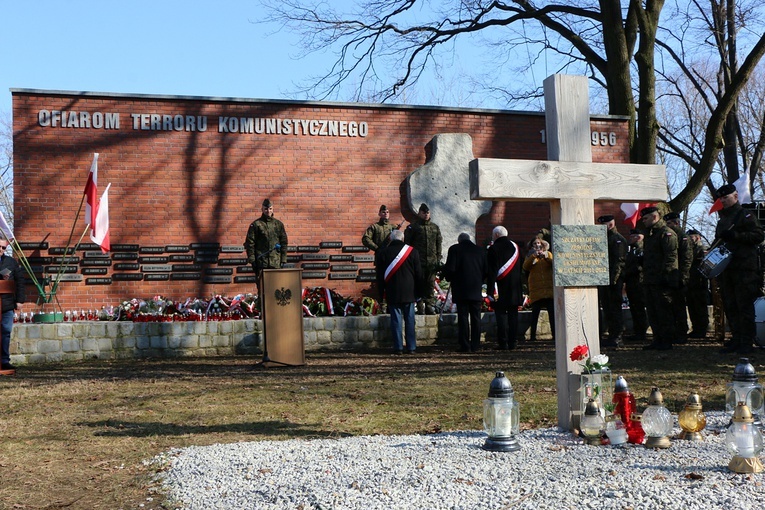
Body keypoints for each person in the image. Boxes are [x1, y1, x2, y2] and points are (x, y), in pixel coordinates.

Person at [714, 184, 764, 354]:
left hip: (744, 269)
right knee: (731, 305)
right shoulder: (722, 220)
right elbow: (718, 243)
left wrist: (736, 236)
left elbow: (758, 235)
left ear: (735, 197)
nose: (722, 201)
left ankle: (746, 341)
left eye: (725, 198)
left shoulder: (745, 215)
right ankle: (736, 338)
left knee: (744, 306)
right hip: (728, 268)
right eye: (720, 198)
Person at [375, 229, 422, 354]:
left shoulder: (383, 253)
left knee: (395, 320)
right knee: (410, 319)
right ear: (402, 239)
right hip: (409, 292)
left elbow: (379, 276)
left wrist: (381, 294)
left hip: (392, 291)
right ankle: (411, 347)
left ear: (390, 239)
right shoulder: (413, 252)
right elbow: (419, 274)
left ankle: (398, 347)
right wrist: (419, 292)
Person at [640, 206, 678, 350]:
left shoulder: (666, 234)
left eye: (646, 218)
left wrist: (666, 276)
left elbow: (670, 257)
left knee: (664, 311)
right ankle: (658, 339)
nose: (643, 221)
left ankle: (666, 340)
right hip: (650, 279)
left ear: (655, 217)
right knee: (653, 311)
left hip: (662, 280)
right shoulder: (651, 234)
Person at [443, 233, 488, 352]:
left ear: (459, 241)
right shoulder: (480, 250)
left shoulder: (455, 249)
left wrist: (448, 277)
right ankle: (475, 344)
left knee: (463, 317)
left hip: (461, 288)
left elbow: (451, 269)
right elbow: (485, 270)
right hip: (475, 288)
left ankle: (464, 345)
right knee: (476, 317)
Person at [486, 226, 524, 350]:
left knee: (501, 316)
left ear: (496, 235)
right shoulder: (516, 247)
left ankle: (503, 342)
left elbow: (491, 272)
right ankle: (513, 342)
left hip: (500, 288)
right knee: (513, 316)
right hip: (514, 288)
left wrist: (490, 289)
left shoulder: (493, 249)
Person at [244, 198, 289, 293]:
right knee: (262, 290)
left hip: (275, 262)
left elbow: (284, 243)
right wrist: (252, 260)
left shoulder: (278, 224)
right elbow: (250, 243)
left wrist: (283, 259)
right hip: (261, 262)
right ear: (262, 209)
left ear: (273, 209)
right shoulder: (256, 225)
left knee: (276, 289)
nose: (268, 211)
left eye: (270, 209)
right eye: (266, 209)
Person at [405, 203, 442, 315]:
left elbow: (438, 243)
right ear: (419, 213)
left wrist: (438, 258)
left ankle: (429, 305)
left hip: (431, 262)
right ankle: (420, 306)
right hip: (418, 262)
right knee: (419, 284)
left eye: (427, 212)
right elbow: (407, 244)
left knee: (430, 284)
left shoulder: (434, 227)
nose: (426, 215)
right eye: (423, 212)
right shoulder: (413, 227)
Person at [597, 214, 627, 348]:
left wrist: (613, 280)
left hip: (613, 280)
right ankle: (612, 335)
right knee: (608, 309)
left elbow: (619, 262)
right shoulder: (604, 239)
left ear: (610, 224)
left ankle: (617, 337)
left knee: (615, 309)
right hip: (604, 279)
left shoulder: (617, 239)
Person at [664, 212, 693, 344]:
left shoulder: (683, 237)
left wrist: (683, 277)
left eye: (669, 223)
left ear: (676, 223)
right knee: (671, 307)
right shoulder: (669, 237)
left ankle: (681, 333)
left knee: (679, 307)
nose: (667, 226)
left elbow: (687, 259)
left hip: (679, 277)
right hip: (671, 277)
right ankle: (674, 332)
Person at [0, 237, 26, 374]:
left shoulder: (10, 262)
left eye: (4, 247)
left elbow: (20, 281)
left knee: (5, 332)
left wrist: (20, 300)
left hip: (6, 305)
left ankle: (4, 361)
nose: (1, 249)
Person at [522, 237, 554, 342]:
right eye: (535, 243)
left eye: (539, 243)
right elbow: (525, 267)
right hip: (536, 289)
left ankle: (554, 335)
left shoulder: (548, 254)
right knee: (534, 315)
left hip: (548, 288)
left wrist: (546, 258)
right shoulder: (530, 256)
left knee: (552, 315)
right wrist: (533, 257)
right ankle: (532, 337)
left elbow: (554, 264)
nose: (537, 245)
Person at [623, 229, 648, 342]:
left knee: (639, 309)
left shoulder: (643, 249)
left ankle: (641, 332)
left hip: (640, 283)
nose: (630, 239)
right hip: (631, 283)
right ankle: (637, 331)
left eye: (632, 237)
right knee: (634, 308)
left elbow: (641, 267)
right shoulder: (632, 250)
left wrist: (628, 271)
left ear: (638, 237)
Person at [686, 229, 710, 338]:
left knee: (700, 307)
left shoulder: (702, 249)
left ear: (698, 238)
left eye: (692, 238)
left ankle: (702, 329)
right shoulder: (688, 249)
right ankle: (696, 328)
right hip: (690, 282)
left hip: (699, 282)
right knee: (692, 307)